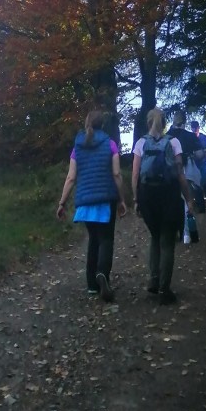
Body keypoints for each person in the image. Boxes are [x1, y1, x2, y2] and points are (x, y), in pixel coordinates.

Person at [57, 109, 127, 302]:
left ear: (87, 123)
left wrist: (62, 203)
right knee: (106, 239)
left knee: (93, 240)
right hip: (105, 200)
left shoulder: (77, 146)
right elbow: (116, 174)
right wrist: (122, 199)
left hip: (85, 202)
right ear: (102, 124)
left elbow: (71, 177)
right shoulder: (110, 144)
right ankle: (103, 273)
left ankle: (91, 286)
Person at [131, 107, 198, 305]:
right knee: (167, 240)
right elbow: (180, 174)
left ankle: (153, 279)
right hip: (169, 195)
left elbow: (135, 175)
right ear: (165, 122)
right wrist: (188, 199)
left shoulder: (141, 143)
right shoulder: (174, 142)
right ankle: (164, 289)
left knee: (155, 236)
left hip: (147, 196)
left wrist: (136, 200)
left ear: (148, 122)